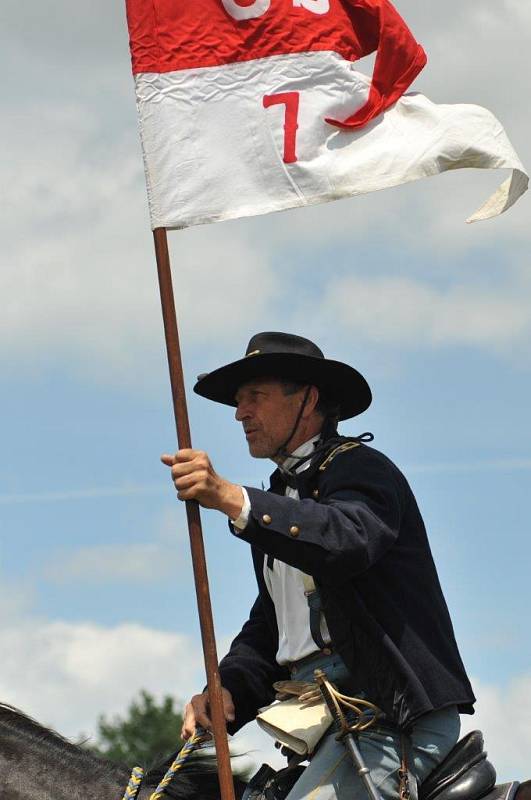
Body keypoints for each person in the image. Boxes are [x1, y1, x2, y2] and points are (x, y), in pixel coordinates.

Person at [161, 331, 476, 800]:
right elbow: (272, 628)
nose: (240, 413)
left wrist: (232, 498)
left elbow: (345, 539)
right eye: (239, 401)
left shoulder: (362, 469)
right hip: (327, 724)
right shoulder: (280, 496)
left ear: (307, 400)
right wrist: (228, 690)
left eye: (255, 397)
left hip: (387, 721)